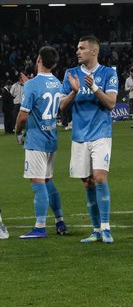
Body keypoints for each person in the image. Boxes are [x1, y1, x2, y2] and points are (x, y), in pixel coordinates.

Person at [60, 35, 118, 244]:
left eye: (82, 48)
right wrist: (74, 92)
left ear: (94, 51)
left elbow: (111, 103)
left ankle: (106, 228)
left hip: (101, 133)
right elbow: (61, 106)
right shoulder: (71, 74)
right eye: (77, 48)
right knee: (87, 182)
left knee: (100, 177)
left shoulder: (108, 73)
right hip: (79, 136)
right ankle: (96, 230)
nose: (77, 51)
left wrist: (94, 88)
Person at [15, 46, 68, 238]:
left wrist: (18, 132)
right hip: (51, 139)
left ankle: (39, 227)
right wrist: (30, 84)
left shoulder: (32, 85)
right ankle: (60, 221)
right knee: (47, 181)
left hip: (36, 140)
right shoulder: (57, 83)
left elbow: (23, 116)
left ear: (38, 60)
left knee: (37, 183)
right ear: (53, 64)